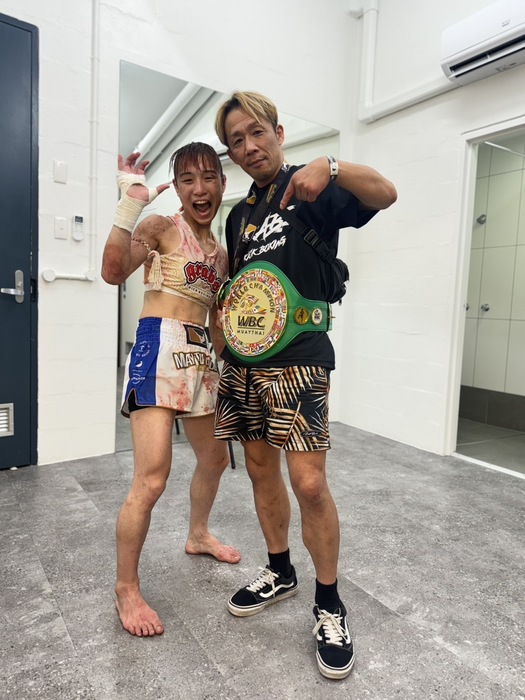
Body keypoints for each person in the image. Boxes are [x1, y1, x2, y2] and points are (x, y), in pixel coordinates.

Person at [213, 91, 397, 679]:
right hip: (245, 362)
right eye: (236, 140)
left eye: (256, 132)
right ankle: (279, 570)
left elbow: (386, 193)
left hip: (301, 358)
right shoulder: (238, 216)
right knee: (260, 470)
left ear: (278, 131)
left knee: (310, 484)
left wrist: (333, 165)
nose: (248, 146)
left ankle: (329, 602)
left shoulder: (310, 185)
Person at [101, 143, 241, 638]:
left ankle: (198, 534)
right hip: (158, 347)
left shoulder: (220, 256)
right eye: (188, 180)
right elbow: (113, 272)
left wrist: (232, 365)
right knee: (152, 479)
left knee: (215, 459)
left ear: (223, 184)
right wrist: (131, 204)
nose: (199, 189)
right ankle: (126, 587)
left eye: (209, 178)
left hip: (200, 357)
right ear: (178, 188)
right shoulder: (162, 226)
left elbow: (218, 324)